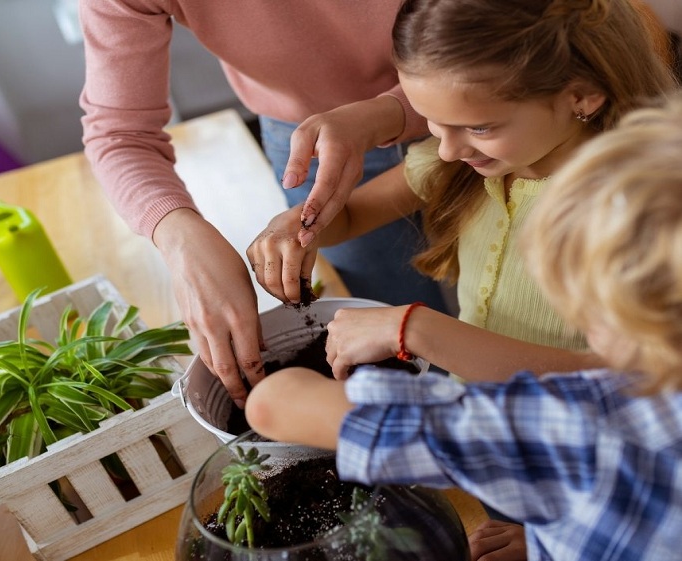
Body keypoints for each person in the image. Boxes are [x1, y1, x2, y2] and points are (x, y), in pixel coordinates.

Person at [245, 92, 682, 561]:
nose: (450, 148)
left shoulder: (561, 429)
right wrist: (549, 539)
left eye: (581, 302)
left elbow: (273, 407)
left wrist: (410, 329)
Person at [247, 0, 676, 382]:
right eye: (431, 120)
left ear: (582, 96)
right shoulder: (462, 162)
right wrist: (299, 224)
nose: (448, 150)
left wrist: (417, 330)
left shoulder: (639, 210)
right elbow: (352, 217)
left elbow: (629, 378)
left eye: (479, 127)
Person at [78, 1, 450, 407]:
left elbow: (514, 36)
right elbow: (120, 135)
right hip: (313, 136)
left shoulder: (475, 130)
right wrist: (181, 239)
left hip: (487, 85)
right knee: (400, 334)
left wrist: (391, 111)